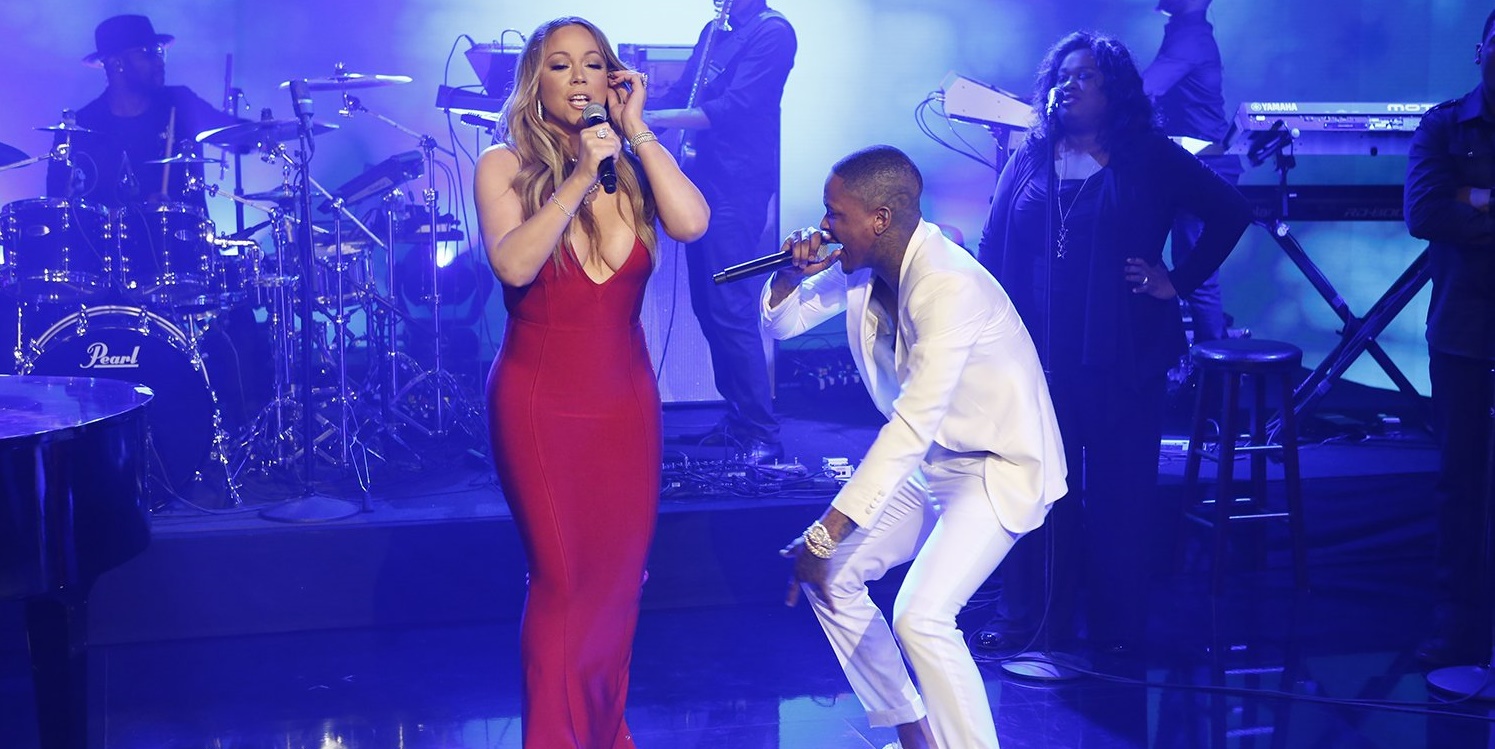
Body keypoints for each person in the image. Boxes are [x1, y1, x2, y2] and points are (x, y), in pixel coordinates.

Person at [768, 145, 1066, 749]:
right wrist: (789, 275)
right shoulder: (862, 266)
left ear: (879, 218)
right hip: (934, 464)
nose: (824, 225)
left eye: (835, 213)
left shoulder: (948, 284)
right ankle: (914, 731)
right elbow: (781, 324)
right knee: (834, 576)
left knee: (922, 617)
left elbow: (911, 424)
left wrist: (828, 529)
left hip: (996, 468)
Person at [474, 16, 708, 748]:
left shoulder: (631, 166)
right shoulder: (503, 164)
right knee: (563, 580)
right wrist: (578, 175)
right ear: (534, 81)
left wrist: (637, 131)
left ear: (613, 79)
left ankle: (603, 735)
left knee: (617, 583)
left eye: (592, 64)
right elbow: (513, 263)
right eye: (559, 64)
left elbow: (691, 223)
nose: (578, 77)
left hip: (624, 401)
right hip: (540, 401)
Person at [977, 32, 1250, 654]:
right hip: (1039, 354)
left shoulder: (1149, 155)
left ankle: (1115, 632)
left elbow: (1231, 210)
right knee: (1043, 491)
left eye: (1086, 76)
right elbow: (993, 246)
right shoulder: (1032, 154)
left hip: (1123, 354)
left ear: (1116, 90)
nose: (1069, 85)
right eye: (1062, 75)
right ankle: (1037, 619)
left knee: (1119, 498)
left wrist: (1175, 280)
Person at [645, 0, 796, 462]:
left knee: (730, 309)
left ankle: (763, 433)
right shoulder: (715, 31)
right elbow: (683, 95)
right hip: (702, 182)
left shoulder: (773, 32)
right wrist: (631, 106)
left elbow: (734, 109)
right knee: (709, 308)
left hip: (737, 188)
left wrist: (651, 121)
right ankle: (739, 420)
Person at [1404, 8, 1495, 668]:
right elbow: (1425, 212)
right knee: (1459, 481)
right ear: (1479, 50)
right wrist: (1462, 203)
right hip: (1464, 331)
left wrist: (1477, 199)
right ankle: (1457, 622)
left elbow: (1454, 207)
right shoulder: (1443, 125)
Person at [46, 14, 237, 213]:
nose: (159, 62)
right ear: (116, 64)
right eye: (147, 53)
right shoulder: (80, 127)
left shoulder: (180, 103)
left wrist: (258, 136)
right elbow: (57, 206)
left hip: (184, 232)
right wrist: (142, 213)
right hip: (110, 234)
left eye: (160, 52)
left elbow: (239, 134)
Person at [1142, 0, 1243, 347]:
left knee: (1196, 275)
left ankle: (1212, 368)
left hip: (1207, 168)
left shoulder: (1190, 37)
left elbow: (1145, 90)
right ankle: (1202, 362)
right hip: (1196, 166)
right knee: (1193, 271)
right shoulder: (1187, 33)